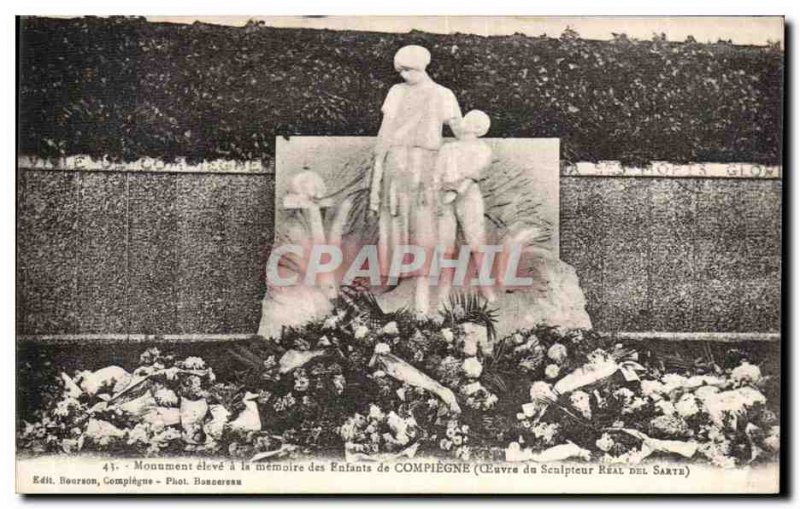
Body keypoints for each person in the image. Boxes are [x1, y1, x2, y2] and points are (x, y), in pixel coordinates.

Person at [370, 45, 462, 313]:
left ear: (422, 66)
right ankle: (399, 281)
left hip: (426, 163)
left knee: (424, 225)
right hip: (397, 162)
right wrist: (378, 167)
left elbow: (460, 130)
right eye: (400, 70)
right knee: (397, 222)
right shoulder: (396, 92)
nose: (403, 75)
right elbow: (385, 131)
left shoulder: (443, 94)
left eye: (408, 69)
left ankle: (422, 289)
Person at [434, 109, 496, 304]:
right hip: (444, 196)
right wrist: (439, 195)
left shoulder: (483, 149)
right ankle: (444, 286)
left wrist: (457, 191)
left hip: (468, 196)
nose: (463, 122)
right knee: (446, 242)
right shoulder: (448, 148)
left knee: (476, 241)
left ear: (478, 128)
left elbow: (474, 173)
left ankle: (485, 286)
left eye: (469, 120)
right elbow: (436, 174)